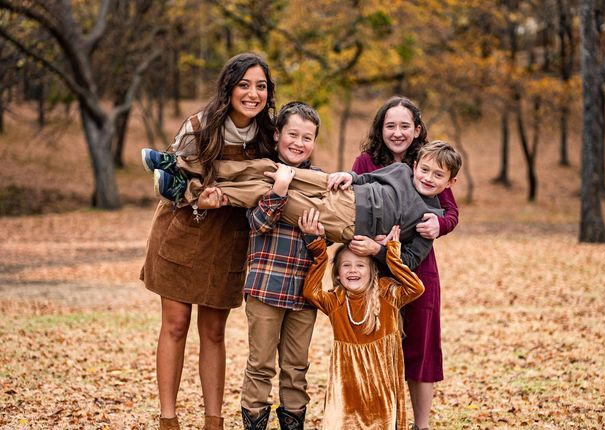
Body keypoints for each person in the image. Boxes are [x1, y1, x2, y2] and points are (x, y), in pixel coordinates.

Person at [140, 52, 276, 430]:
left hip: (229, 238)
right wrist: (197, 197)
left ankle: (212, 422)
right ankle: (169, 419)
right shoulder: (199, 127)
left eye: (260, 86)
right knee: (176, 324)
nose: (253, 93)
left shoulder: (270, 135)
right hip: (183, 231)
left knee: (214, 332)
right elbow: (170, 183)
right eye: (244, 85)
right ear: (229, 88)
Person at [143, 141, 461, 271]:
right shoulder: (401, 170)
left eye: (438, 175)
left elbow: (408, 261)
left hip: (347, 221)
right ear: (416, 164)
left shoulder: (429, 218)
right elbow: (369, 178)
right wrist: (348, 176)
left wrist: (376, 251)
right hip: (340, 190)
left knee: (276, 193)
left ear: (450, 182)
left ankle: (187, 191)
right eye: (426, 169)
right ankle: (181, 163)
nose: (428, 178)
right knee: (270, 168)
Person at [351, 96, 460, 430]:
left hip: (417, 266)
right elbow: (350, 200)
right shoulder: (367, 162)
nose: (397, 133)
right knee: (375, 343)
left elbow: (451, 212)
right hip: (372, 267)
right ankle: (378, 419)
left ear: (416, 129)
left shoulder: (429, 162)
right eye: (390, 126)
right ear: (380, 128)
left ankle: (421, 424)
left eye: (404, 126)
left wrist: (438, 225)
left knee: (421, 344)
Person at [238, 102, 321, 430]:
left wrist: (315, 237)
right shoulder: (261, 175)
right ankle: (254, 422)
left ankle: (293, 424)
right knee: (260, 365)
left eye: (307, 137)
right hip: (266, 288)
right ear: (277, 136)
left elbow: (323, 246)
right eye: (293, 134)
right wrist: (280, 189)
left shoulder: (318, 183)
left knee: (296, 368)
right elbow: (256, 224)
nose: (299, 143)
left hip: (303, 295)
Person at [298, 216, 424, 429]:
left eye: (360, 265)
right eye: (346, 265)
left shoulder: (386, 292)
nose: (353, 270)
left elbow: (416, 288)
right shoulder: (336, 300)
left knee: (380, 422)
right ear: (338, 273)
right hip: (347, 380)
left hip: (381, 379)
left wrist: (392, 254)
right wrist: (319, 252)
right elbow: (311, 292)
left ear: (372, 270)